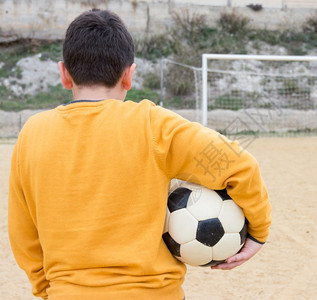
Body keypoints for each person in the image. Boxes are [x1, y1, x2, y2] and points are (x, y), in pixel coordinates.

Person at [8, 9, 271, 300]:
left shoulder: (32, 134)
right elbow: (238, 164)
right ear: (129, 75)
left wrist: (51, 290)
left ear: (64, 74)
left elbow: (24, 235)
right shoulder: (153, 125)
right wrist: (259, 231)